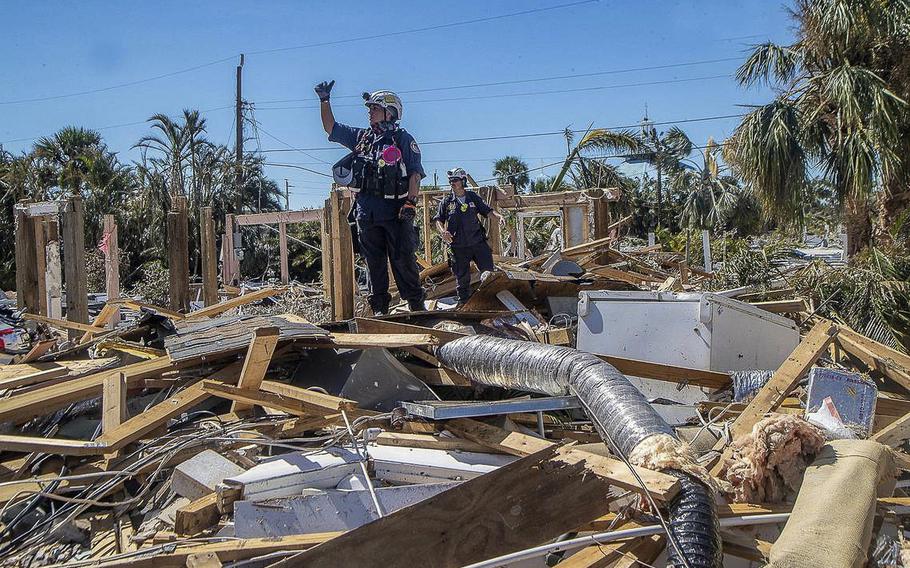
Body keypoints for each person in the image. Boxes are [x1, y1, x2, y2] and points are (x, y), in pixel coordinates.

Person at [315, 80, 426, 315]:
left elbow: (415, 174)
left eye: (374, 109)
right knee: (373, 263)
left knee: (403, 259)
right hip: (367, 212)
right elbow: (330, 127)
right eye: (369, 109)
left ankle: (416, 306)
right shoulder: (362, 138)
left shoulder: (403, 139)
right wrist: (324, 101)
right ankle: (380, 310)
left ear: (390, 112)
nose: (370, 113)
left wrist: (411, 202)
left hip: (396, 211)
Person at [434, 167, 503, 307]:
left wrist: (499, 217)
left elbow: (487, 211)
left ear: (463, 181)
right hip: (458, 246)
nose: (453, 183)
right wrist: (443, 231)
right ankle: (464, 303)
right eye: (451, 181)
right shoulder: (447, 202)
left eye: (456, 180)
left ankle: (490, 301)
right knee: (462, 278)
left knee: (488, 272)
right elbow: (438, 220)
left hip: (478, 242)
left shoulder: (472, 197)